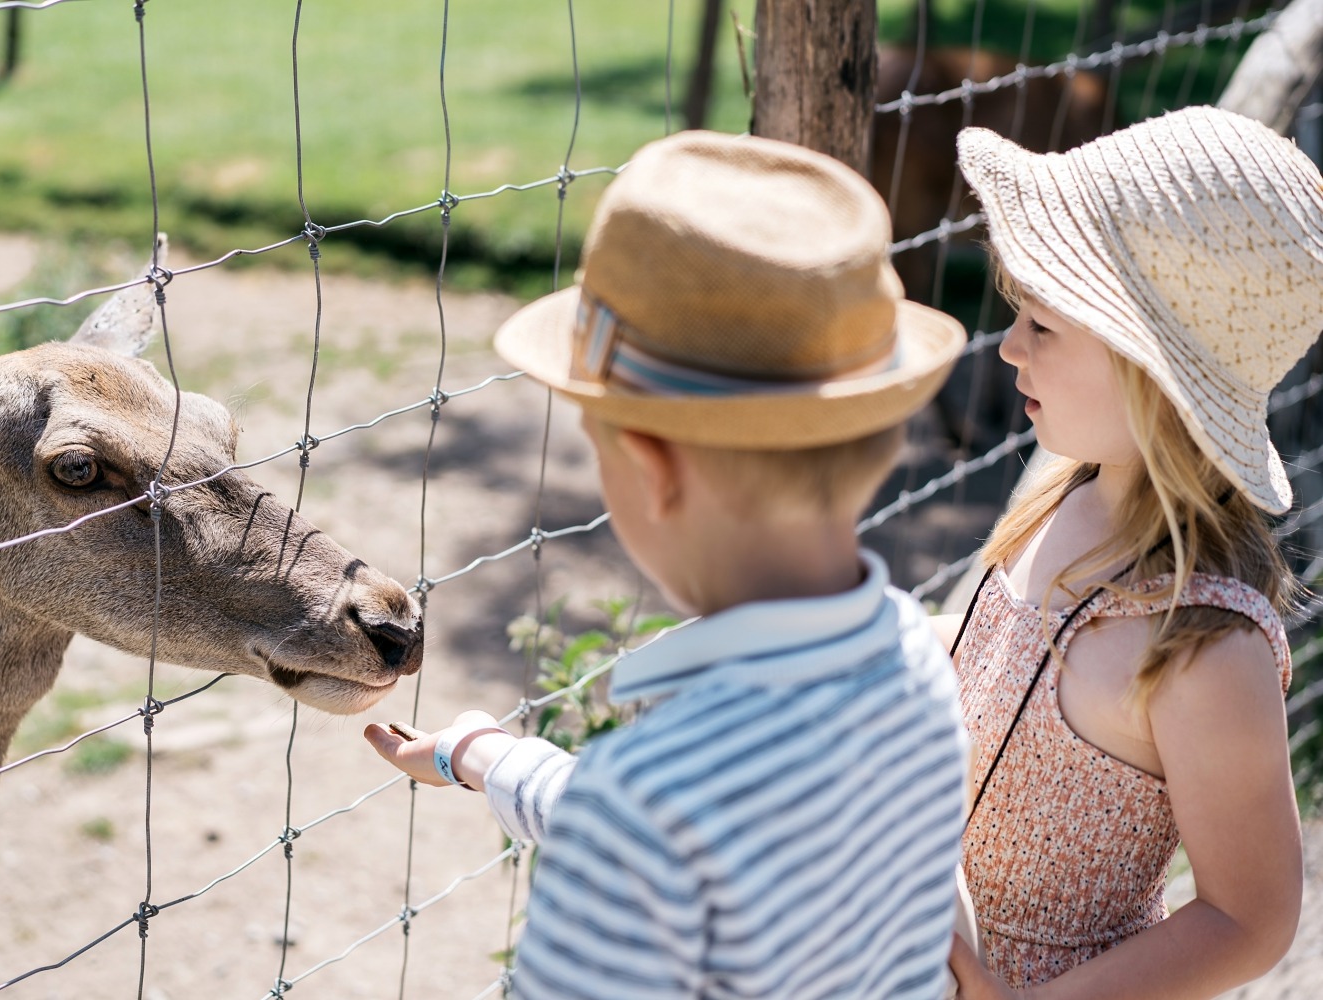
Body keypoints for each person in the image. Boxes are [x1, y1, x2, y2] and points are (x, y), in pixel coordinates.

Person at [363, 130, 971, 998]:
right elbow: (717, 838)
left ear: (648, 466)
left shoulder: (644, 810)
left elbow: (653, 832)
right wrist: (486, 755)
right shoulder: (917, 660)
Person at [942, 105, 1320, 998]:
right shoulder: (1055, 499)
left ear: (1151, 372)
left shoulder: (1200, 644)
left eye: (1044, 326)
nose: (1007, 347)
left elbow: (1250, 916)